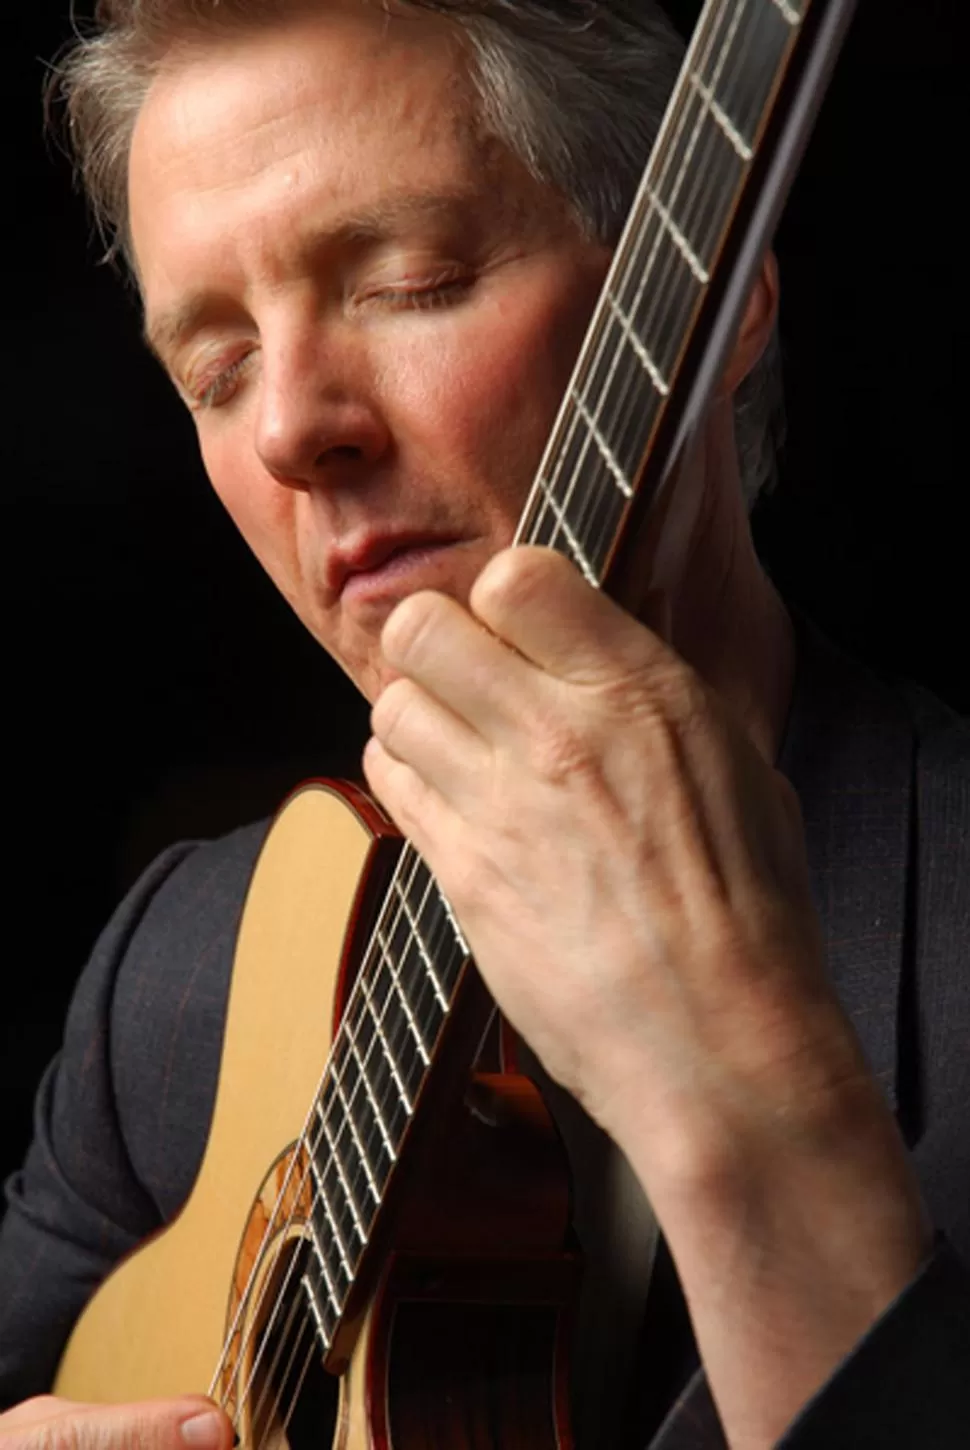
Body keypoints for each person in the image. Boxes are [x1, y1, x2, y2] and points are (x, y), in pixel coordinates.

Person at [1, 1, 967, 1446]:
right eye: (218, 369)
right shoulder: (177, 982)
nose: (290, 430)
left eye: (412, 282)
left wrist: (760, 1100)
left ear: (716, 303)